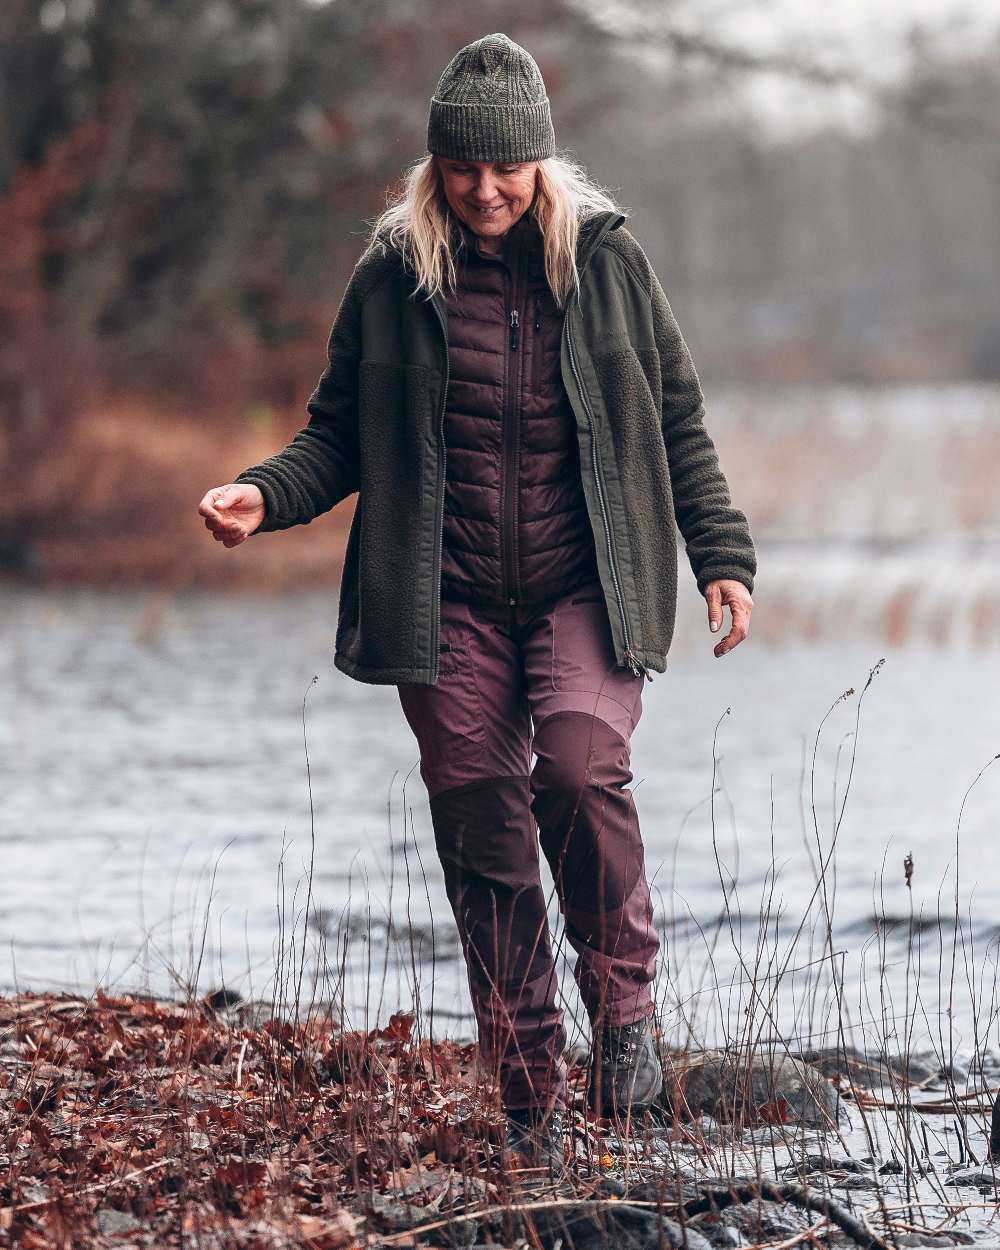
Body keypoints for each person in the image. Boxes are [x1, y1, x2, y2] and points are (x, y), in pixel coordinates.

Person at [198, 32, 755, 1171]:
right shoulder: (392, 275)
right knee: (482, 826)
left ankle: (626, 1017)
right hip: (440, 598)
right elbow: (336, 433)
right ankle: (529, 1093)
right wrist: (264, 493)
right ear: (435, 165)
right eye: (464, 167)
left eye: (506, 166)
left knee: (579, 770)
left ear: (542, 162)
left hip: (583, 587)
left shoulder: (606, 265)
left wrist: (722, 555)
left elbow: (677, 420)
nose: (486, 188)